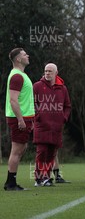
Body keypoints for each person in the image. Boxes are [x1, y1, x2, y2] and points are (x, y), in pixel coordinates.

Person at [33, 63, 71, 187]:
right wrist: (37, 117)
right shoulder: (37, 86)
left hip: (56, 127)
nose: (47, 73)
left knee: (51, 153)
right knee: (41, 152)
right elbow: (31, 104)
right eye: (46, 71)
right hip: (42, 126)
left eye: (50, 71)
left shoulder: (63, 89)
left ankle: (46, 177)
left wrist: (63, 118)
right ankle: (39, 178)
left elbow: (67, 106)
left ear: (56, 73)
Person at [4, 48, 34, 191]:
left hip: (25, 118)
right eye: (24, 54)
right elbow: (13, 101)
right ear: (18, 59)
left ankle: (11, 180)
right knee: (16, 150)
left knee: (22, 148)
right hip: (19, 119)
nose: (27, 56)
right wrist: (20, 120)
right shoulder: (17, 76)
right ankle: (10, 183)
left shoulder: (22, 74)